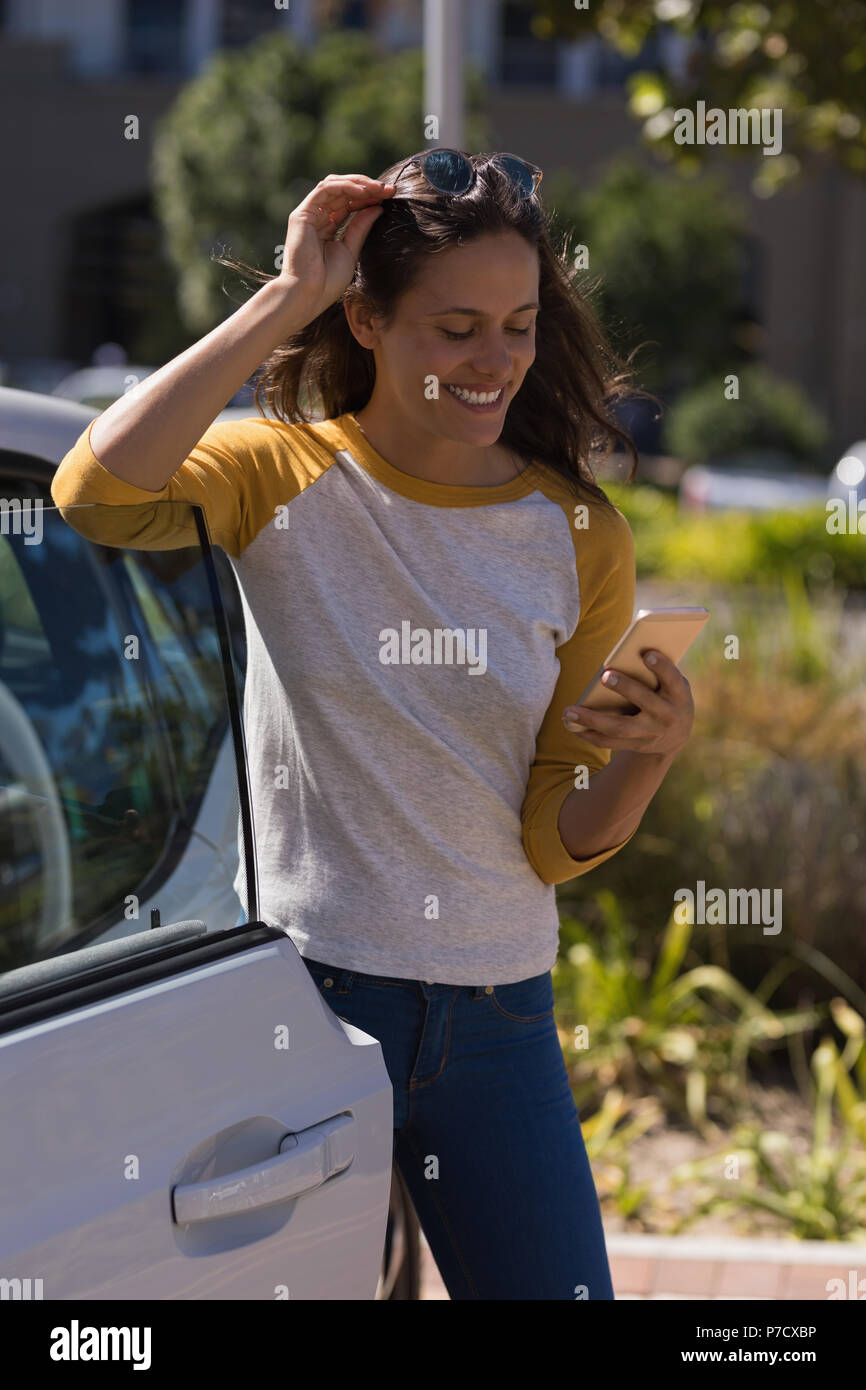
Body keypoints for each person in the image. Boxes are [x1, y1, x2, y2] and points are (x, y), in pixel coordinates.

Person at [51, 148, 695, 1300]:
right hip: (307, 998)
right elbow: (95, 490)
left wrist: (642, 760)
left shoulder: (577, 532)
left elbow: (552, 835)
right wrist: (285, 293)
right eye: (454, 327)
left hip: (500, 1012)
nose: (494, 359)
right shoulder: (276, 473)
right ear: (367, 320)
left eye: (518, 322)